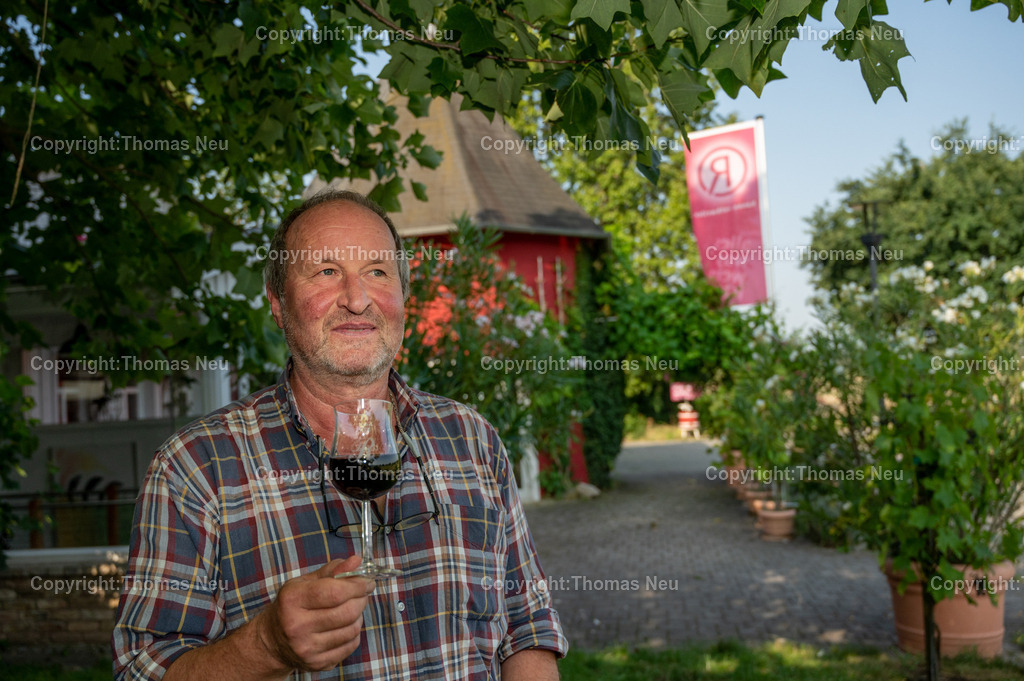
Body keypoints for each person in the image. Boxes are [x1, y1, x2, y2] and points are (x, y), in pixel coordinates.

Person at [112, 189, 567, 680]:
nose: (357, 299)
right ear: (278, 305)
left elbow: (527, 625)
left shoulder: (472, 439)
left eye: (377, 272)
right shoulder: (195, 467)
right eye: (327, 271)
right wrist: (266, 645)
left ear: (404, 298)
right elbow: (143, 671)